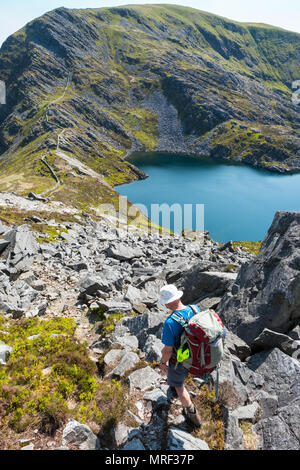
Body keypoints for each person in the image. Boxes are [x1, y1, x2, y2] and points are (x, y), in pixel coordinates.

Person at [158, 284, 202, 427]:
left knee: (179, 386)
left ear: (169, 302)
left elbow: (168, 351)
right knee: (179, 377)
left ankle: (193, 417)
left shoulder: (170, 322)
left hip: (182, 359)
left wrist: (163, 363)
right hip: (198, 353)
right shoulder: (195, 309)